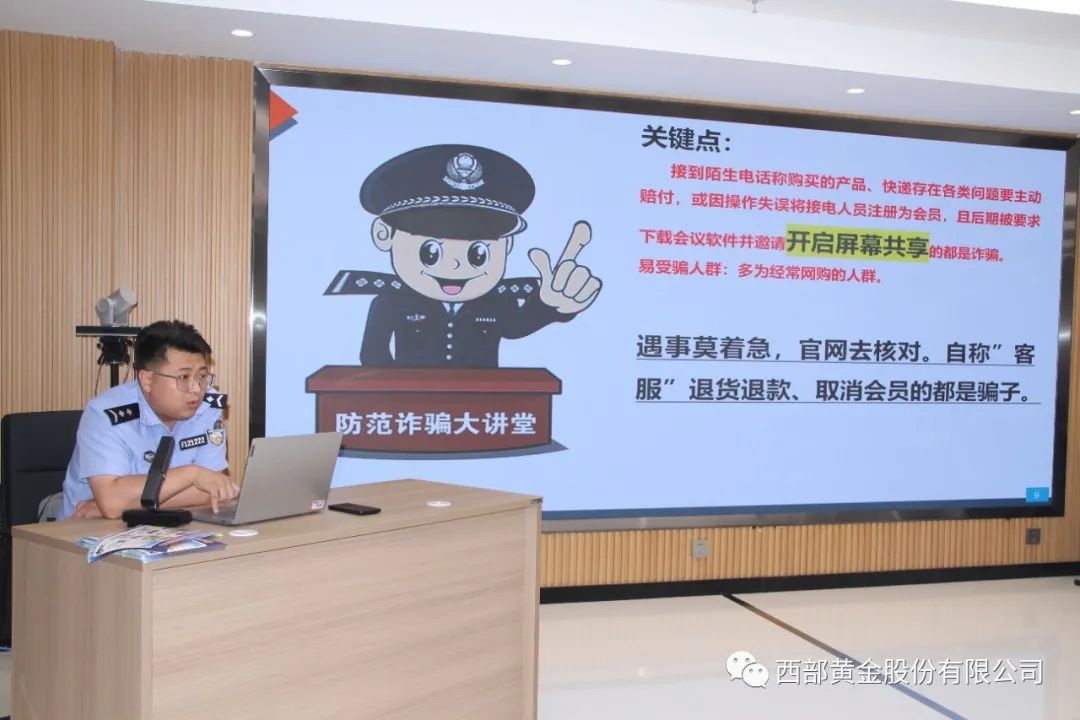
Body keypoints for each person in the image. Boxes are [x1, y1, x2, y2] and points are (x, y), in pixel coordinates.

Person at [342, 144, 602, 368]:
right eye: (431, 252)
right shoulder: (391, 302)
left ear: (507, 245)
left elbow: (516, 328)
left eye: (478, 254)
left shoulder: (499, 301)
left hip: (485, 408)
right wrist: (401, 394)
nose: (456, 264)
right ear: (384, 235)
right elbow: (373, 354)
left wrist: (550, 306)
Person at [57, 320, 240, 520]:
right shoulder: (105, 414)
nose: (197, 389)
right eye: (184, 377)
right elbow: (113, 503)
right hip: (86, 533)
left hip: (166, 527)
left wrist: (126, 505)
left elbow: (215, 491)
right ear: (147, 380)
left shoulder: (207, 407)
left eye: (202, 376)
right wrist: (192, 474)